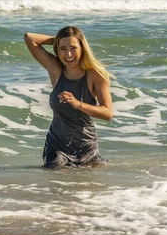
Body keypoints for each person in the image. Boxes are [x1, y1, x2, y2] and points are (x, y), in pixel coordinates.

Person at [24, 26, 113, 168]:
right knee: (58, 183)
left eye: (73, 48)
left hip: (86, 147)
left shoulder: (95, 75)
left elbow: (108, 113)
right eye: (63, 49)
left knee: (89, 188)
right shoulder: (56, 69)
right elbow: (29, 38)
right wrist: (58, 41)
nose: (68, 54)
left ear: (82, 47)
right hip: (57, 146)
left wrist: (78, 104)